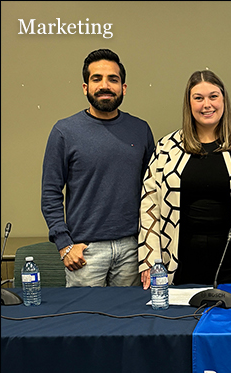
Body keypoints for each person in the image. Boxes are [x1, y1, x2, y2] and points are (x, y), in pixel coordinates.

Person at [137, 70, 231, 287]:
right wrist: (150, 260)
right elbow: (150, 207)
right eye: (198, 98)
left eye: (213, 96)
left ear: (224, 100)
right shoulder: (166, 148)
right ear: (189, 103)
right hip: (179, 259)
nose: (207, 104)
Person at [41, 48, 154, 287]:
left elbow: (152, 191)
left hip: (133, 250)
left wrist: (150, 247)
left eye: (113, 79)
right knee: (84, 320)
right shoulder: (64, 132)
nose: (105, 85)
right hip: (85, 252)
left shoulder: (140, 130)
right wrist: (64, 244)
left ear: (123, 88)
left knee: (129, 320)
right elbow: (50, 193)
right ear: (85, 88)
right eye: (97, 79)